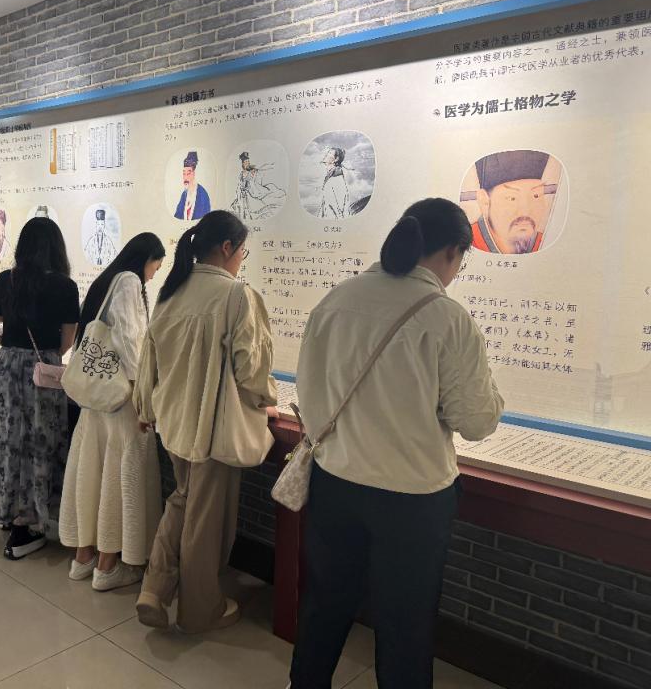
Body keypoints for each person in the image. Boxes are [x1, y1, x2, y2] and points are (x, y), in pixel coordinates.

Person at [288, 198, 504, 689]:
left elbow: (309, 390)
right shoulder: (447, 318)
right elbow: (476, 422)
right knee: (405, 625)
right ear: (452, 252)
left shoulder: (336, 299)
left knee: (324, 605)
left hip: (334, 483)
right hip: (412, 499)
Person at [133, 210, 277, 633]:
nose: (241, 261)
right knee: (206, 519)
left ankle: (154, 589)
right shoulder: (237, 296)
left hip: (173, 422)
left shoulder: (170, 292)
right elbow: (250, 370)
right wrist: (266, 400)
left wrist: (145, 410)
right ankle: (200, 609)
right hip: (213, 427)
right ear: (228, 248)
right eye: (242, 252)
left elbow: (149, 361)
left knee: (182, 499)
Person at [59, 233, 166, 591]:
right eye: (156, 266)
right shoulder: (130, 281)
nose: (154, 274)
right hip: (121, 399)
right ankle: (107, 566)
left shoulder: (106, 280)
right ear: (147, 259)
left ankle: (83, 558)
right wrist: (140, 392)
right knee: (120, 476)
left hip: (97, 397)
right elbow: (128, 339)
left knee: (93, 472)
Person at [0, 217, 80, 560]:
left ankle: (7, 508)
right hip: (42, 372)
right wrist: (42, 356)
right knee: (39, 442)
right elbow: (67, 342)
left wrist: (11, 346)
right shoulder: (65, 286)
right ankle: (30, 520)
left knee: (6, 439)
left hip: (6, 369)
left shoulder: (7, 279)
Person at [470, 150, 556, 254]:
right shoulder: (467, 241)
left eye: (536, 195)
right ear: (484, 201)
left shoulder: (546, 241)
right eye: (512, 198)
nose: (526, 211)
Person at [231, 151, 286, 220]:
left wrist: (254, 173)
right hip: (250, 191)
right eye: (246, 162)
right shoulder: (243, 174)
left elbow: (258, 174)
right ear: (243, 163)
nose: (248, 163)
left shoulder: (251, 170)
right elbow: (242, 185)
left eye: (248, 162)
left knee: (271, 187)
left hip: (254, 188)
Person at [173, 151, 212, 221]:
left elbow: (203, 219)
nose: (185, 177)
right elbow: (177, 216)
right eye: (184, 174)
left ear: (194, 173)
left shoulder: (202, 194)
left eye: (188, 173)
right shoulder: (184, 195)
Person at [319, 147, 348, 219]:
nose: (326, 154)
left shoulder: (336, 179)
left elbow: (340, 210)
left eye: (329, 153)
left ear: (336, 159)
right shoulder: (330, 177)